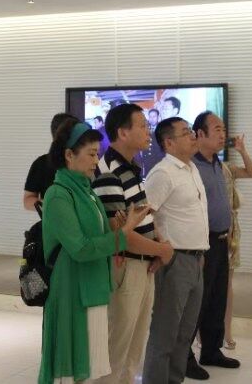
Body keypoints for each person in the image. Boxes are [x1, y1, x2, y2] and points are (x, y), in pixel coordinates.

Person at [38, 121, 149, 384]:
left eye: (97, 154)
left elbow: (97, 236)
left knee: (87, 369)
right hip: (71, 290)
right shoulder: (58, 194)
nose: (96, 161)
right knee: (70, 371)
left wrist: (117, 226)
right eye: (90, 154)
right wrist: (125, 233)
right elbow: (81, 248)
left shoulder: (87, 192)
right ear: (69, 155)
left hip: (93, 287)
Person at [91, 104, 174, 384]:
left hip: (143, 264)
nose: (148, 130)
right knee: (117, 347)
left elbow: (141, 215)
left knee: (134, 349)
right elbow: (120, 233)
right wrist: (162, 250)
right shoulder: (108, 172)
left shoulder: (132, 167)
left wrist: (158, 244)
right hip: (125, 266)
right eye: (141, 125)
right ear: (122, 132)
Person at [142, 117, 209, 384]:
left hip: (195, 260)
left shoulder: (191, 168)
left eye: (191, 131)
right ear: (169, 143)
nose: (193, 136)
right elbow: (145, 215)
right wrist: (162, 249)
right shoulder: (163, 173)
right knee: (165, 334)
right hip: (175, 261)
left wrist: (199, 253)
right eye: (186, 133)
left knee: (184, 334)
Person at [185, 112, 240, 379]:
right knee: (198, 301)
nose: (222, 134)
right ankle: (185, 356)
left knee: (217, 298)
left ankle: (211, 350)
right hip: (202, 243)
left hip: (220, 240)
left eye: (223, 129)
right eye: (216, 129)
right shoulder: (191, 167)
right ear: (200, 134)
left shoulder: (217, 163)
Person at [221, 134, 252, 350]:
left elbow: (251, 172)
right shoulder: (197, 168)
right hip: (211, 232)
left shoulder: (226, 168)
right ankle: (201, 333)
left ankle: (227, 332)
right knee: (206, 286)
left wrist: (242, 150)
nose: (221, 136)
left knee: (227, 284)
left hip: (231, 231)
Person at [23, 113, 79, 215]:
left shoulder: (83, 160)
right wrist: (50, 204)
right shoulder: (41, 163)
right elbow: (27, 200)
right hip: (53, 221)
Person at [141, 109, 164, 177]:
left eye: (154, 116)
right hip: (147, 159)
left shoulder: (162, 129)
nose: (152, 119)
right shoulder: (145, 128)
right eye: (150, 117)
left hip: (159, 159)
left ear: (158, 117)